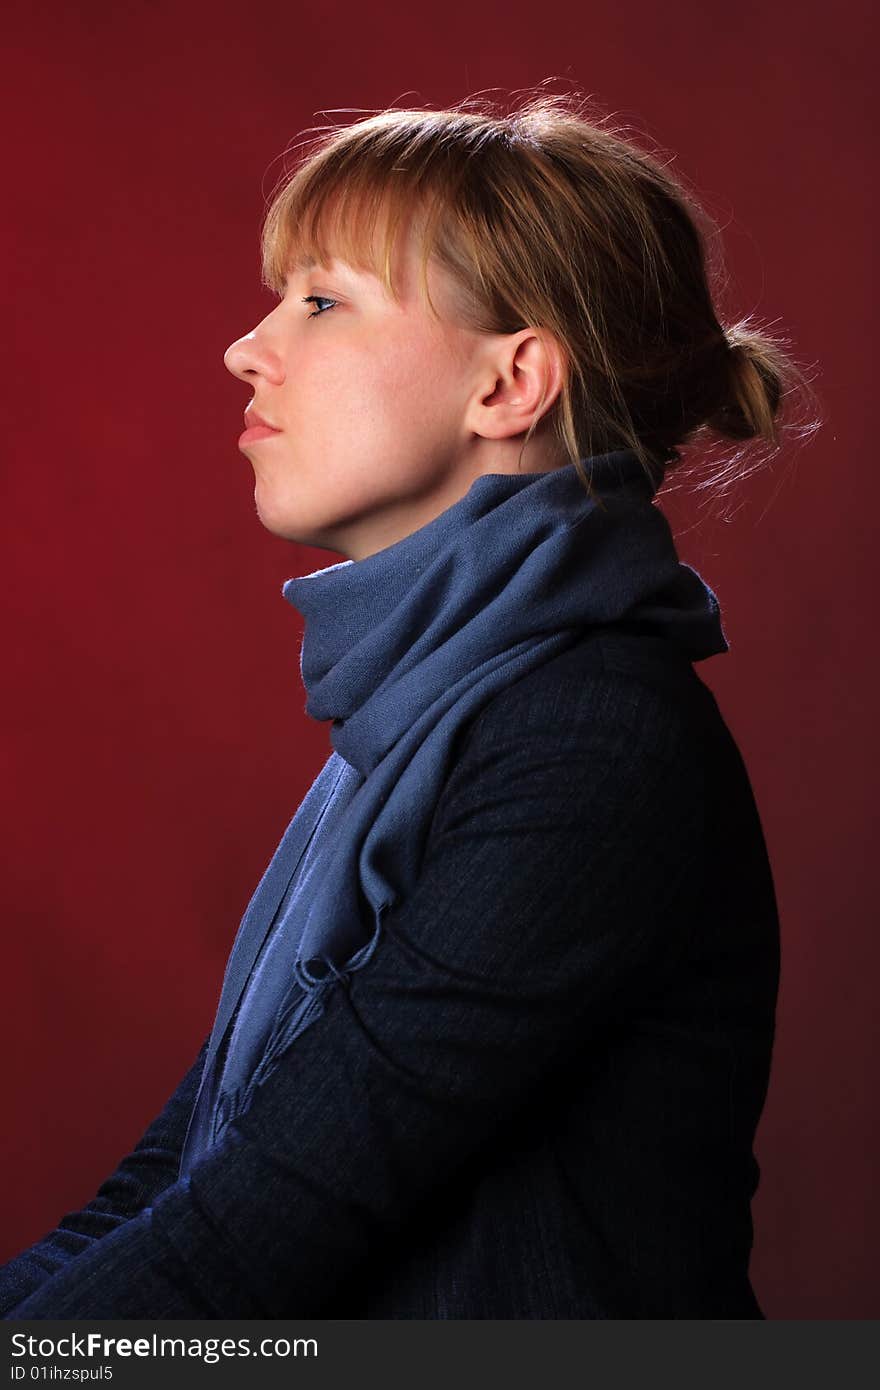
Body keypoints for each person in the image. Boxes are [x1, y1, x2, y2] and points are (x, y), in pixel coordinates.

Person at [1, 89, 816, 1319]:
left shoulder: (588, 739)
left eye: (320, 302)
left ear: (512, 383)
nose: (250, 348)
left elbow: (268, 1218)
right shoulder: (424, 725)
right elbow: (179, 1179)